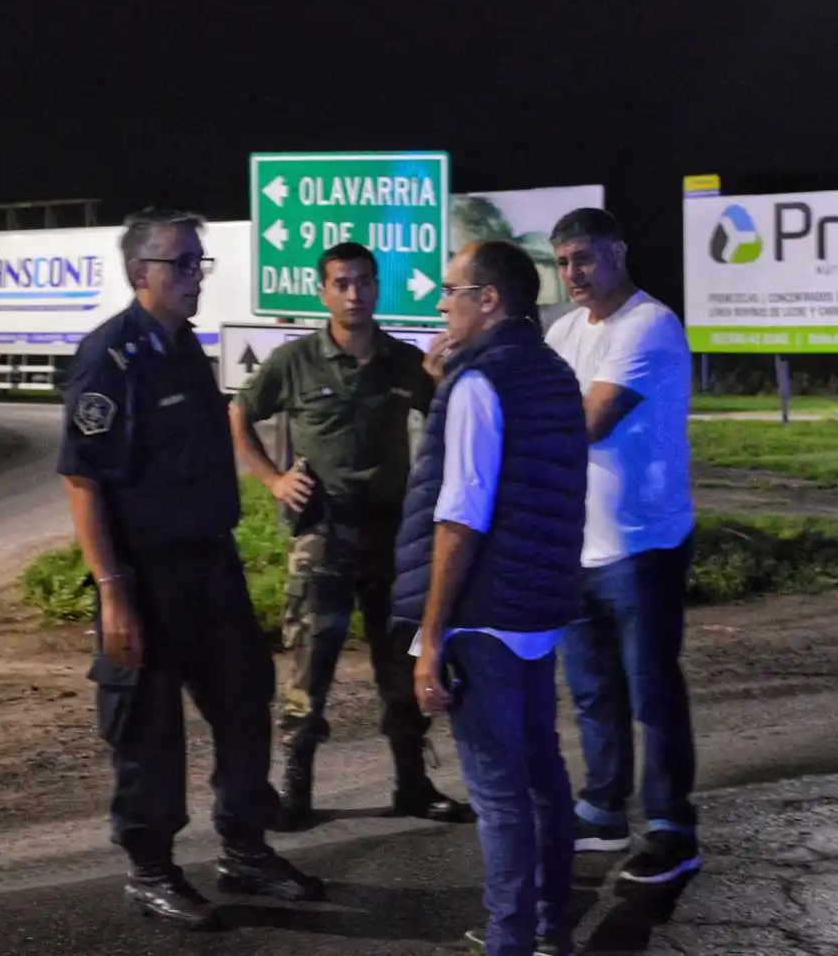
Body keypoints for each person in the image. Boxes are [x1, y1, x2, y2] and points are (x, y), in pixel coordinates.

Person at [57, 206, 323, 931]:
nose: (195, 276)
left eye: (199, 262)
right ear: (142, 273)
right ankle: (151, 871)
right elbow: (83, 480)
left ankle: (245, 849)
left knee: (245, 703)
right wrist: (112, 591)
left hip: (211, 565)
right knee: (149, 733)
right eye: (182, 263)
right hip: (146, 574)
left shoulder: (183, 350)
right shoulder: (109, 357)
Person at [230, 241, 473, 830]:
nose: (354, 294)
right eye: (341, 283)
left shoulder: (401, 360)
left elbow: (445, 419)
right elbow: (238, 413)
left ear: (375, 287)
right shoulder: (296, 361)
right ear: (324, 291)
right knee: (310, 665)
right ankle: (296, 788)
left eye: (363, 282)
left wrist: (440, 382)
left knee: (403, 663)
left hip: (394, 538)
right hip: (324, 535)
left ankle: (412, 783)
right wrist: (272, 479)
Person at [395, 240, 589, 956]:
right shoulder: (551, 372)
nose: (440, 303)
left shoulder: (479, 385)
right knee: (542, 775)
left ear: (489, 300)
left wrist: (432, 635)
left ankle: (509, 941)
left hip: (483, 615)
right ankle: (550, 931)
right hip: (539, 608)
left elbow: (459, 518)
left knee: (500, 794)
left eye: (452, 291)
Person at [543, 207, 701, 887]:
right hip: (576, 546)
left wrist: (532, 422)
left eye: (582, 258)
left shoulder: (650, 325)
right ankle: (603, 809)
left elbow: (586, 420)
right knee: (591, 690)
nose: (572, 274)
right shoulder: (566, 330)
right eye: (562, 263)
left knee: (652, 691)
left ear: (617, 251)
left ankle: (671, 828)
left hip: (644, 545)